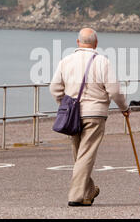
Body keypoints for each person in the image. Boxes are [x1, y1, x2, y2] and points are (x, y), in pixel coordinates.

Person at [49, 27, 131, 207]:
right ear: (96, 44)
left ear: (78, 42)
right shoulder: (103, 62)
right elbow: (115, 91)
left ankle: (88, 192)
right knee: (84, 156)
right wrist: (124, 108)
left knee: (80, 155)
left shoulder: (66, 61)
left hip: (73, 115)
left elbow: (54, 88)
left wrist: (64, 104)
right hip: (95, 114)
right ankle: (76, 196)